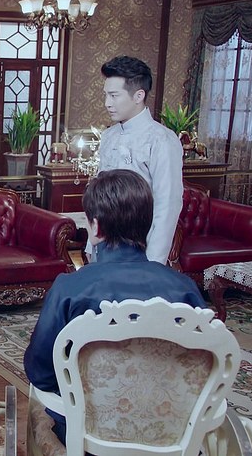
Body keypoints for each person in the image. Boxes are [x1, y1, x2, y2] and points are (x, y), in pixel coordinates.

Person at [24, 169, 206, 446]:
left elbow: (40, 372)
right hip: (171, 437)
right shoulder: (184, 289)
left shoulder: (70, 289)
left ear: (96, 228)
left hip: (83, 436)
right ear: (147, 224)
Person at [96, 55, 183, 265]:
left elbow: (167, 205)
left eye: (114, 95)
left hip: (140, 250)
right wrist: (93, 247)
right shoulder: (109, 136)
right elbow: (99, 197)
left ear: (138, 95)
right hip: (105, 247)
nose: (107, 103)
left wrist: (153, 263)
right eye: (106, 95)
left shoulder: (161, 139)